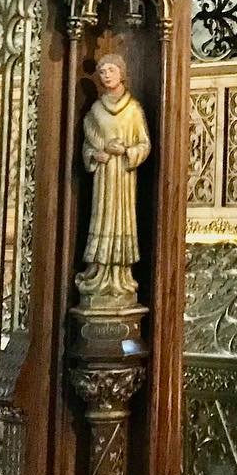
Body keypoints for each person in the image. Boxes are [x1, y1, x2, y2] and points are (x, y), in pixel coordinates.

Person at [77, 54, 151, 306]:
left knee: (122, 222)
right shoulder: (95, 111)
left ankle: (121, 277)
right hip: (104, 178)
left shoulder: (133, 109)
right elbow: (87, 145)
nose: (106, 75)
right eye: (102, 71)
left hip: (124, 178)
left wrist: (128, 152)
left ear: (122, 73)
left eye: (111, 70)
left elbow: (144, 144)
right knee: (102, 219)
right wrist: (95, 154)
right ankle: (98, 274)